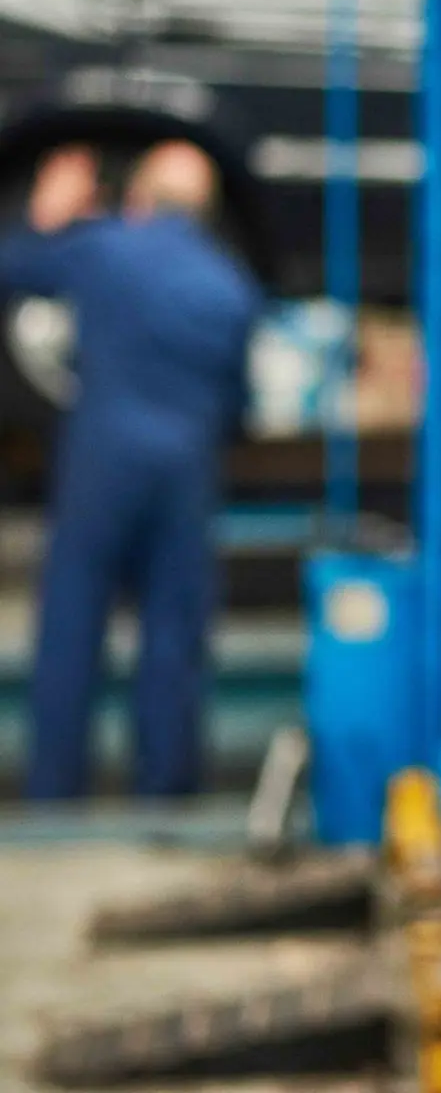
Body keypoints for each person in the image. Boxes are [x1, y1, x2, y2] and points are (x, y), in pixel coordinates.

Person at [0, 140, 261, 799]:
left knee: (71, 628)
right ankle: (165, 791)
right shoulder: (230, 286)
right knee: (173, 638)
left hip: (101, 468)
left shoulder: (107, 247)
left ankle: (55, 793)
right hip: (187, 474)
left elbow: (12, 267)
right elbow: (239, 407)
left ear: (140, 199)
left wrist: (46, 215)